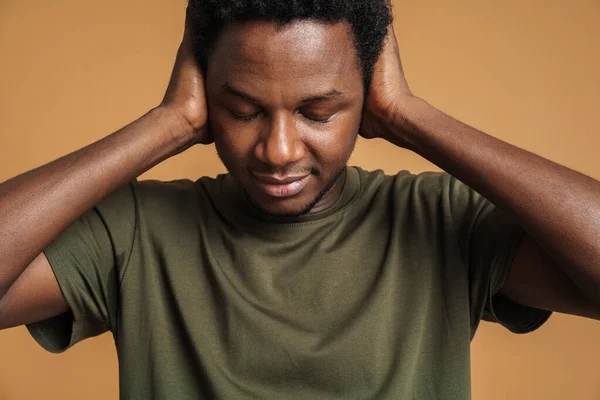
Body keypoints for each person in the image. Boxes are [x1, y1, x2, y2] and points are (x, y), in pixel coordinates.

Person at [0, 0, 598, 398]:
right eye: (243, 110)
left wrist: (410, 118)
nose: (279, 150)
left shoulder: (442, 221)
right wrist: (167, 125)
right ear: (206, 93)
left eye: (318, 112)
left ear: (366, 96)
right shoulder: (132, 231)